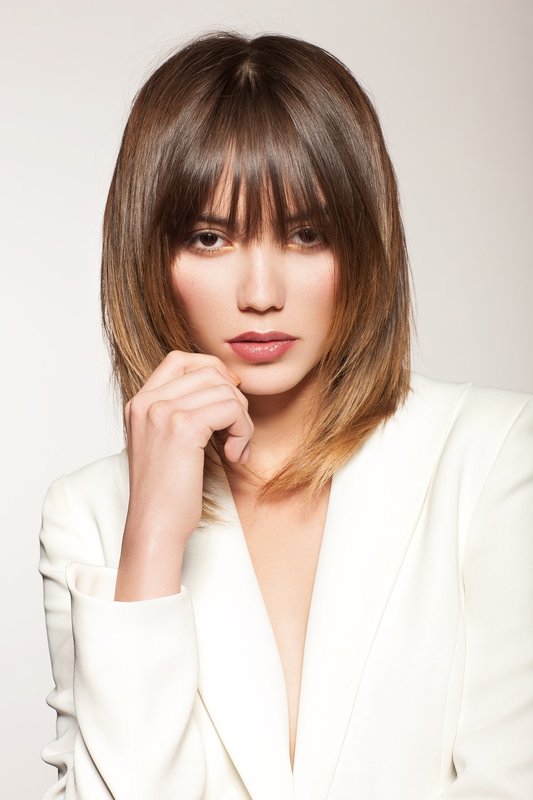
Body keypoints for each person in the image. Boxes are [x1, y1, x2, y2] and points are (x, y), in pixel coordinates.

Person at [38, 29, 533, 800]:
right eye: (210, 238)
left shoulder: (491, 457)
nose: (260, 292)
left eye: (306, 234)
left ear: (361, 247)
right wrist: (152, 542)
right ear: (150, 258)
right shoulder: (90, 517)